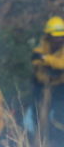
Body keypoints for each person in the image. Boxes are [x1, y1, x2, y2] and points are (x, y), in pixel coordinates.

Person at [29, 15, 64, 143]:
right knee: (36, 115)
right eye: (56, 36)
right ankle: (40, 140)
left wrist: (46, 59)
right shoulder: (44, 44)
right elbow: (36, 58)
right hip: (42, 84)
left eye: (61, 36)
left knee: (60, 116)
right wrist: (44, 62)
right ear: (49, 36)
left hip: (60, 86)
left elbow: (61, 64)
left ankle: (59, 140)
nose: (59, 39)